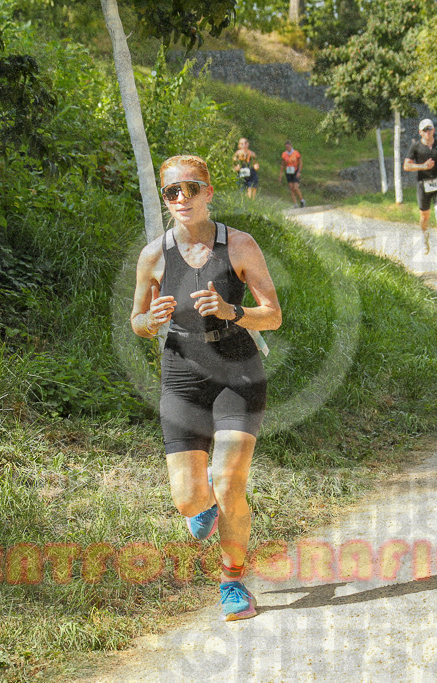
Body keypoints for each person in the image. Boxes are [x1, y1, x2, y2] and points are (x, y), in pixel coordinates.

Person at [130, 154, 282, 622]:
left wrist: (230, 311)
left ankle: (232, 582)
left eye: (191, 188)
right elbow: (136, 320)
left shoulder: (238, 245)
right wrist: (148, 321)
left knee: (229, 482)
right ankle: (207, 508)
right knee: (189, 499)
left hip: (236, 369)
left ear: (209, 192)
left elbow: (272, 315)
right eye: (172, 191)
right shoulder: (154, 255)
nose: (181, 199)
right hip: (181, 372)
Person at [403, 118, 437, 261]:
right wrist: (422, 166)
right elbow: (406, 166)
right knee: (424, 217)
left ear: (433, 130)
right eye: (425, 130)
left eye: (430, 129)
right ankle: (424, 235)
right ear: (420, 132)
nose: (428, 132)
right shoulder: (415, 147)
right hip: (423, 185)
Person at [278, 140, 305, 208]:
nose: (288, 148)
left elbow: (301, 163)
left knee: (296, 188)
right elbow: (282, 165)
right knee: (291, 188)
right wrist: (280, 176)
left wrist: (299, 172)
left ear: (291, 146)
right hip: (288, 172)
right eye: (286, 147)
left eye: (288, 147)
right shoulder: (284, 154)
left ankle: (302, 200)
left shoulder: (296, 153)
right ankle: (295, 204)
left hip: (295, 171)